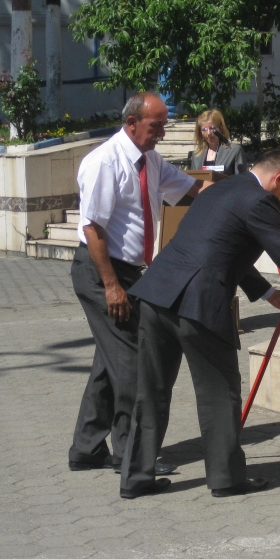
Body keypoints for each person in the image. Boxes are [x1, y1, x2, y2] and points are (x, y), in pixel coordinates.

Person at [118, 149, 280, 499]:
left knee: (150, 392)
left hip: (156, 295)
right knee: (219, 393)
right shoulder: (260, 201)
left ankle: (135, 477)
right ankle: (226, 477)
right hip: (198, 303)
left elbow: (220, 247)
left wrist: (267, 293)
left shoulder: (218, 191)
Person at [68, 92, 209, 475]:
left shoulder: (149, 160)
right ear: (132, 122)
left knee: (107, 362)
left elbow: (192, 190)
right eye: (156, 125)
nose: (162, 132)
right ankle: (131, 455)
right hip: (102, 272)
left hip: (127, 272)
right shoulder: (104, 162)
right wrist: (111, 286)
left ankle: (86, 447)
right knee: (131, 363)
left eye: (164, 124)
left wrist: (243, 193)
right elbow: (92, 228)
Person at [189, 109, 247, 175]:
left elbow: (241, 181)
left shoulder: (235, 151)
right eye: (204, 129)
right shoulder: (196, 155)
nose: (208, 133)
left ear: (221, 128)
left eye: (212, 128)